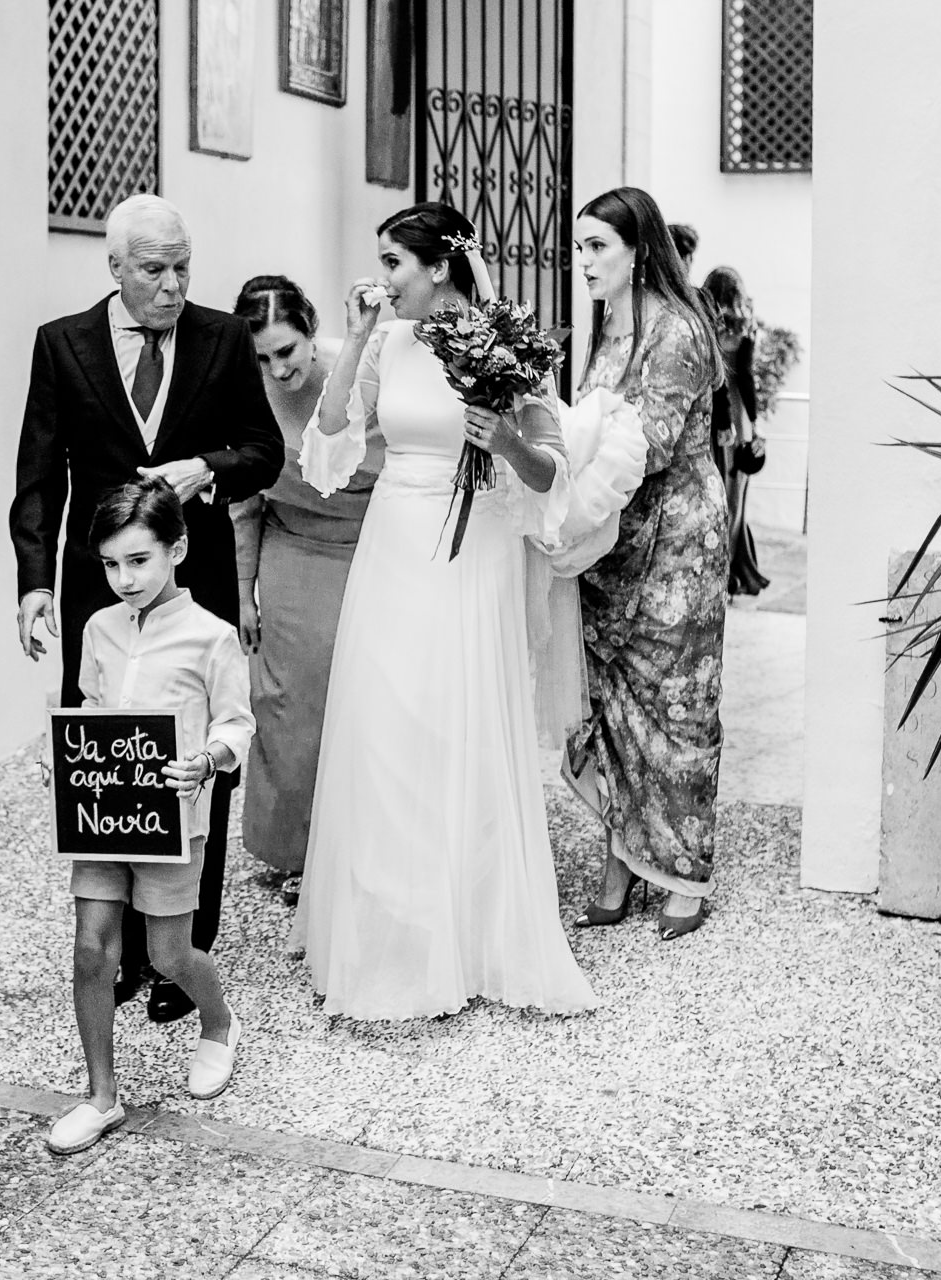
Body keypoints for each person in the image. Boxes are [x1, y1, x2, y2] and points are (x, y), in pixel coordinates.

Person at [292, 202, 598, 1021]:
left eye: (394, 262)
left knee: (454, 721)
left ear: (440, 268)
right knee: (387, 724)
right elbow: (328, 441)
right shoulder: (387, 343)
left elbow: (550, 481)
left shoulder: (505, 348)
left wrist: (503, 442)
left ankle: (466, 932)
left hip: (473, 553)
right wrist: (353, 338)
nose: (382, 277)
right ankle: (389, 931)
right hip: (394, 539)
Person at [10, 194, 282, 1024]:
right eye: (155, 270)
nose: (172, 286)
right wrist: (34, 583)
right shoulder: (63, 345)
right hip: (98, 588)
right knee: (109, 749)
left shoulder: (223, 338)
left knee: (192, 752)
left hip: (186, 583)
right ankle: (121, 948)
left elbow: (265, 452)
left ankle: (180, 951)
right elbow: (39, 475)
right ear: (116, 267)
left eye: (183, 268)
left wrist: (209, 468)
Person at [47, 479, 253, 1154]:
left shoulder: (212, 637)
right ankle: (101, 1096)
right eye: (111, 563)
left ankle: (219, 1023)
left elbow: (236, 721)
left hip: (173, 818)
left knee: (167, 953)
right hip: (103, 812)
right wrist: (66, 756)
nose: (124, 577)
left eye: (139, 560)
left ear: (177, 549)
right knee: (89, 950)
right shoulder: (98, 628)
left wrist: (209, 759)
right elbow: (86, 704)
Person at [568, 187, 728, 941]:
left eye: (598, 246)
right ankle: (620, 860)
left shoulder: (678, 327)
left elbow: (653, 440)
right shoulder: (609, 324)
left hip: (678, 540)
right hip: (615, 541)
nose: (585, 261)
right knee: (612, 703)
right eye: (581, 247)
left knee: (676, 703)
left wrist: (567, 457)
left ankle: (685, 872)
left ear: (638, 249)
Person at [227, 275, 380, 895]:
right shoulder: (240, 394)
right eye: (261, 357)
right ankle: (292, 847)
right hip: (288, 550)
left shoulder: (362, 369)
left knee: (356, 698)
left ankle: (347, 848)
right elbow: (243, 506)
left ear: (312, 334)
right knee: (286, 703)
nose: (277, 368)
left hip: (367, 548)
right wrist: (243, 594)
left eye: (286, 351)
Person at [700, 266, 771, 596]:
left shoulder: (705, 322)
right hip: (737, 416)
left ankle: (717, 570)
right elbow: (744, 375)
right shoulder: (745, 325)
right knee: (734, 495)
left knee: (711, 495)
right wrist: (754, 423)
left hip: (711, 413)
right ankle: (728, 573)